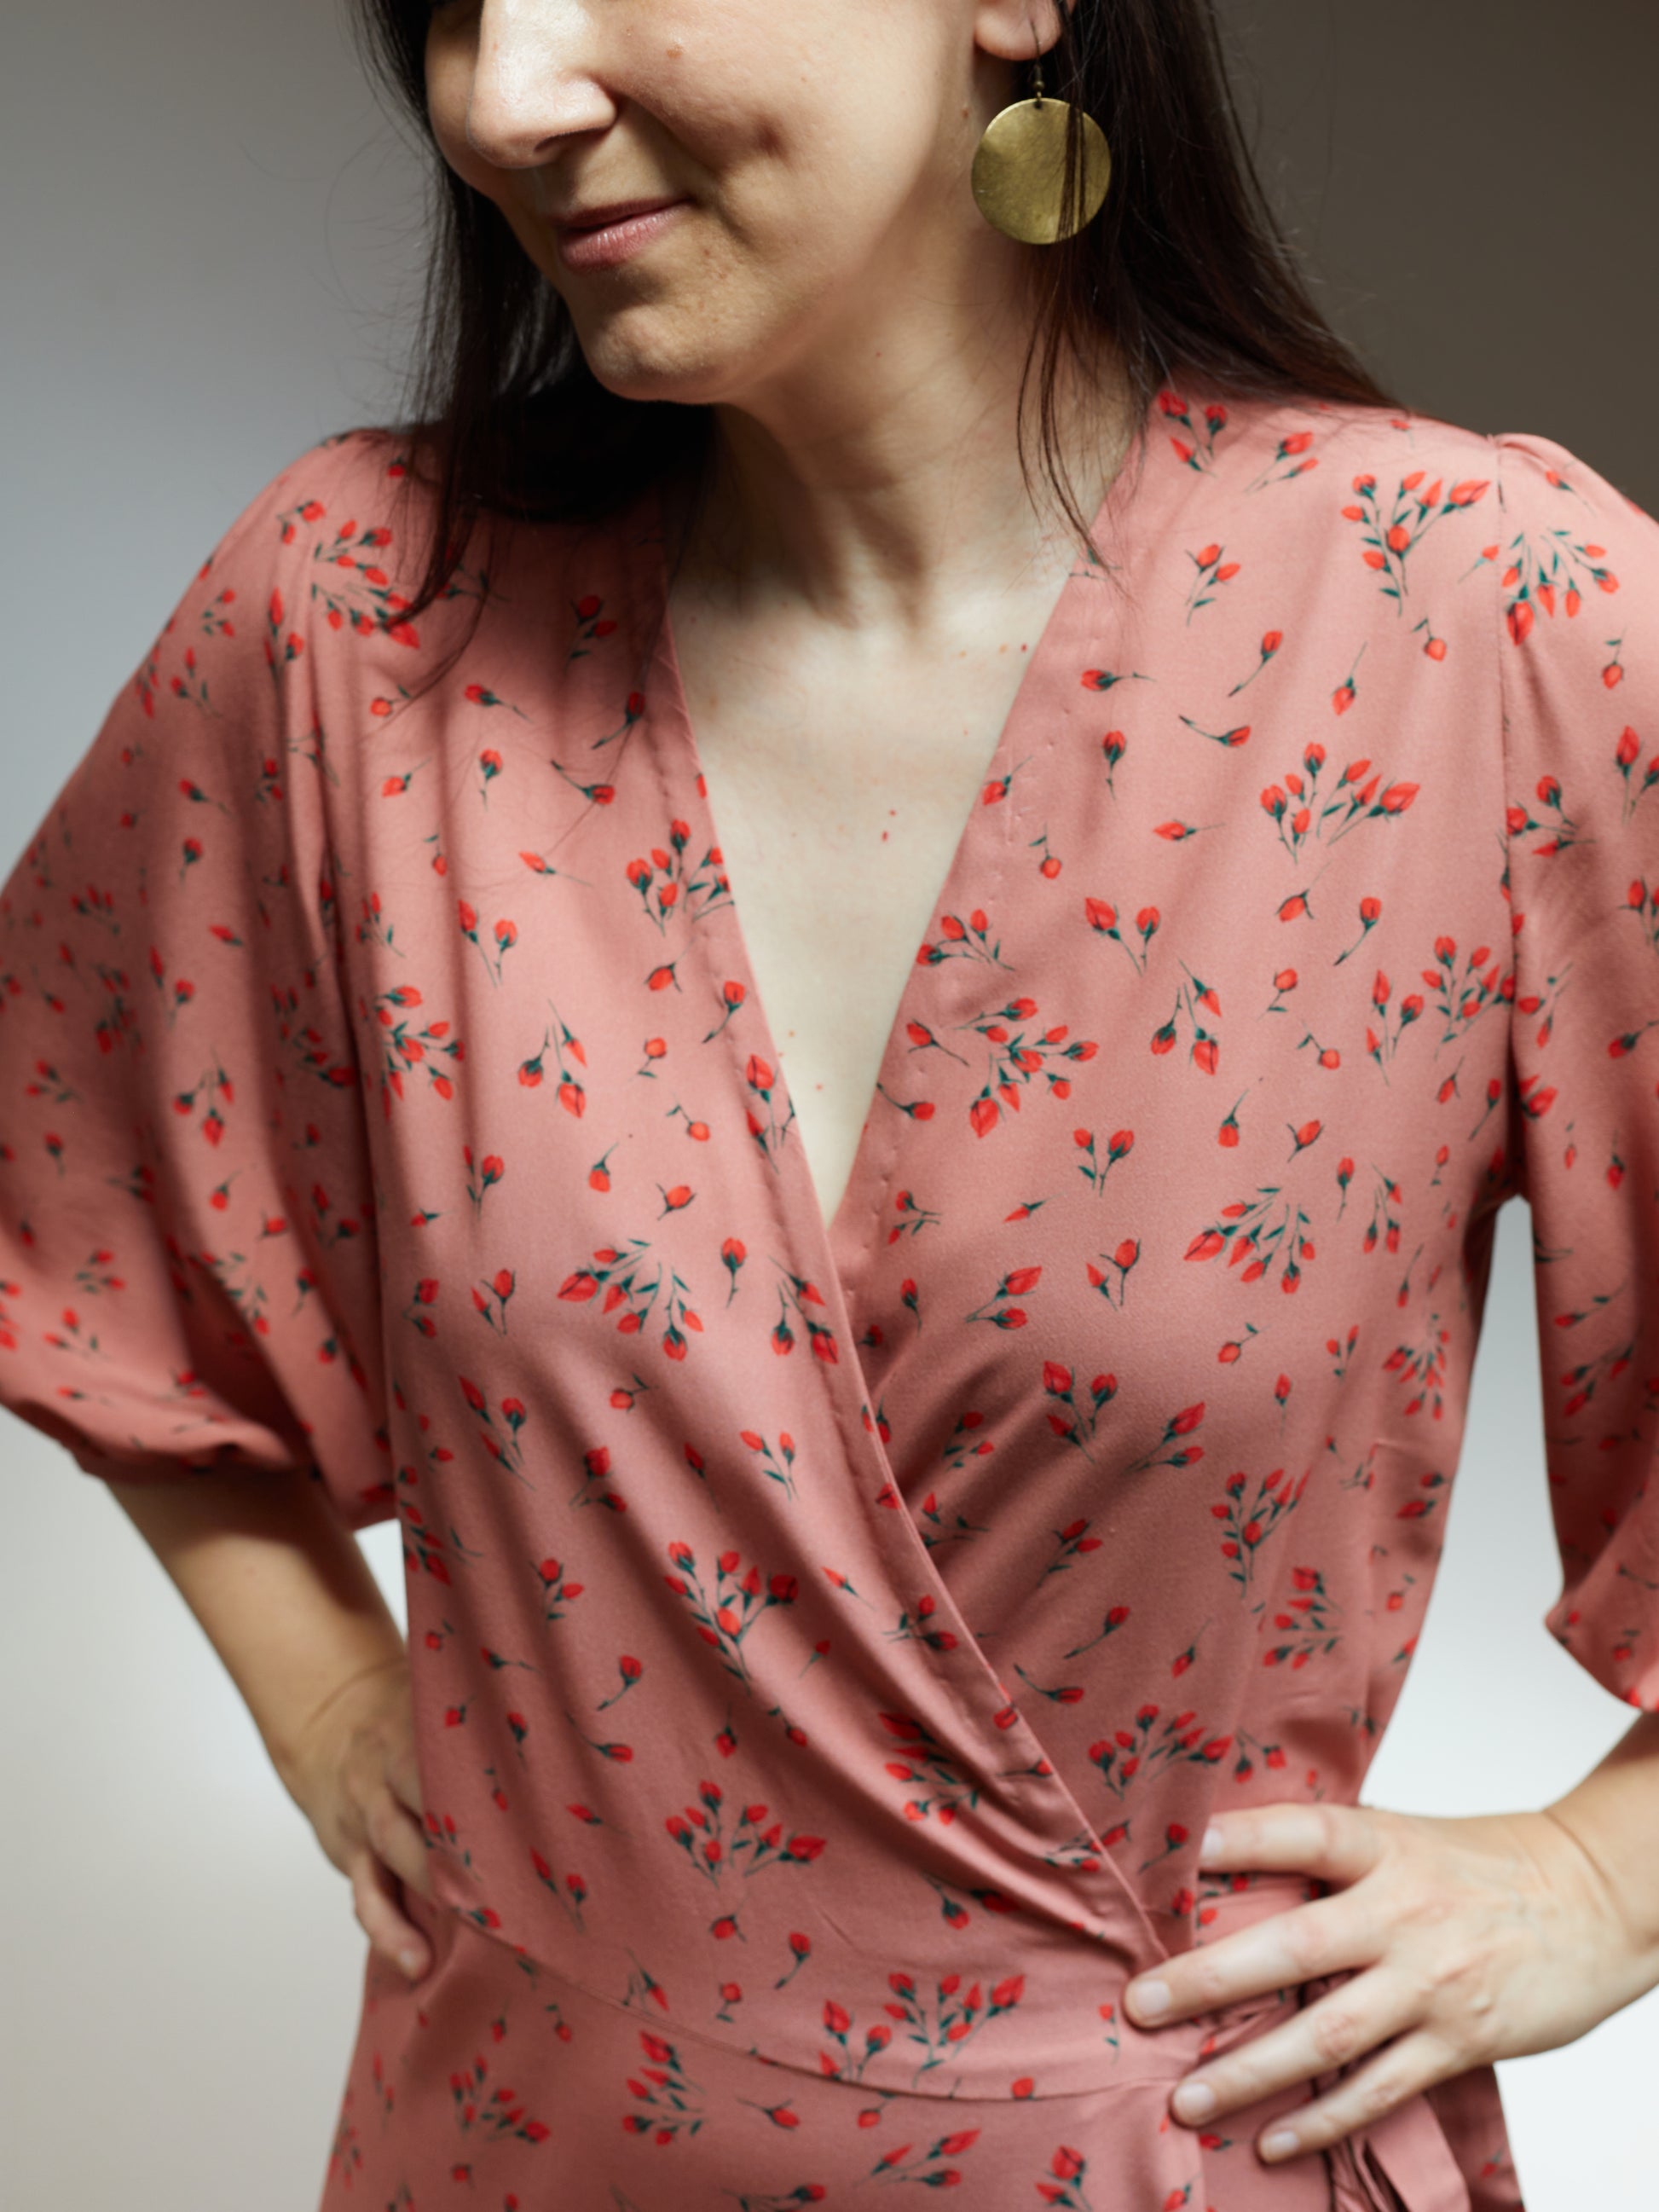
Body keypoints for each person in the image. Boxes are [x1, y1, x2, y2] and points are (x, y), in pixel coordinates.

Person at [5, 3, 1657, 2206]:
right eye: (455, 0)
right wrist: (325, 1698)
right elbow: (63, 1189)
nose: (498, 95)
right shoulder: (357, 619)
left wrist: (1597, 1878)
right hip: (513, 2151)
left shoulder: (1482, 618)